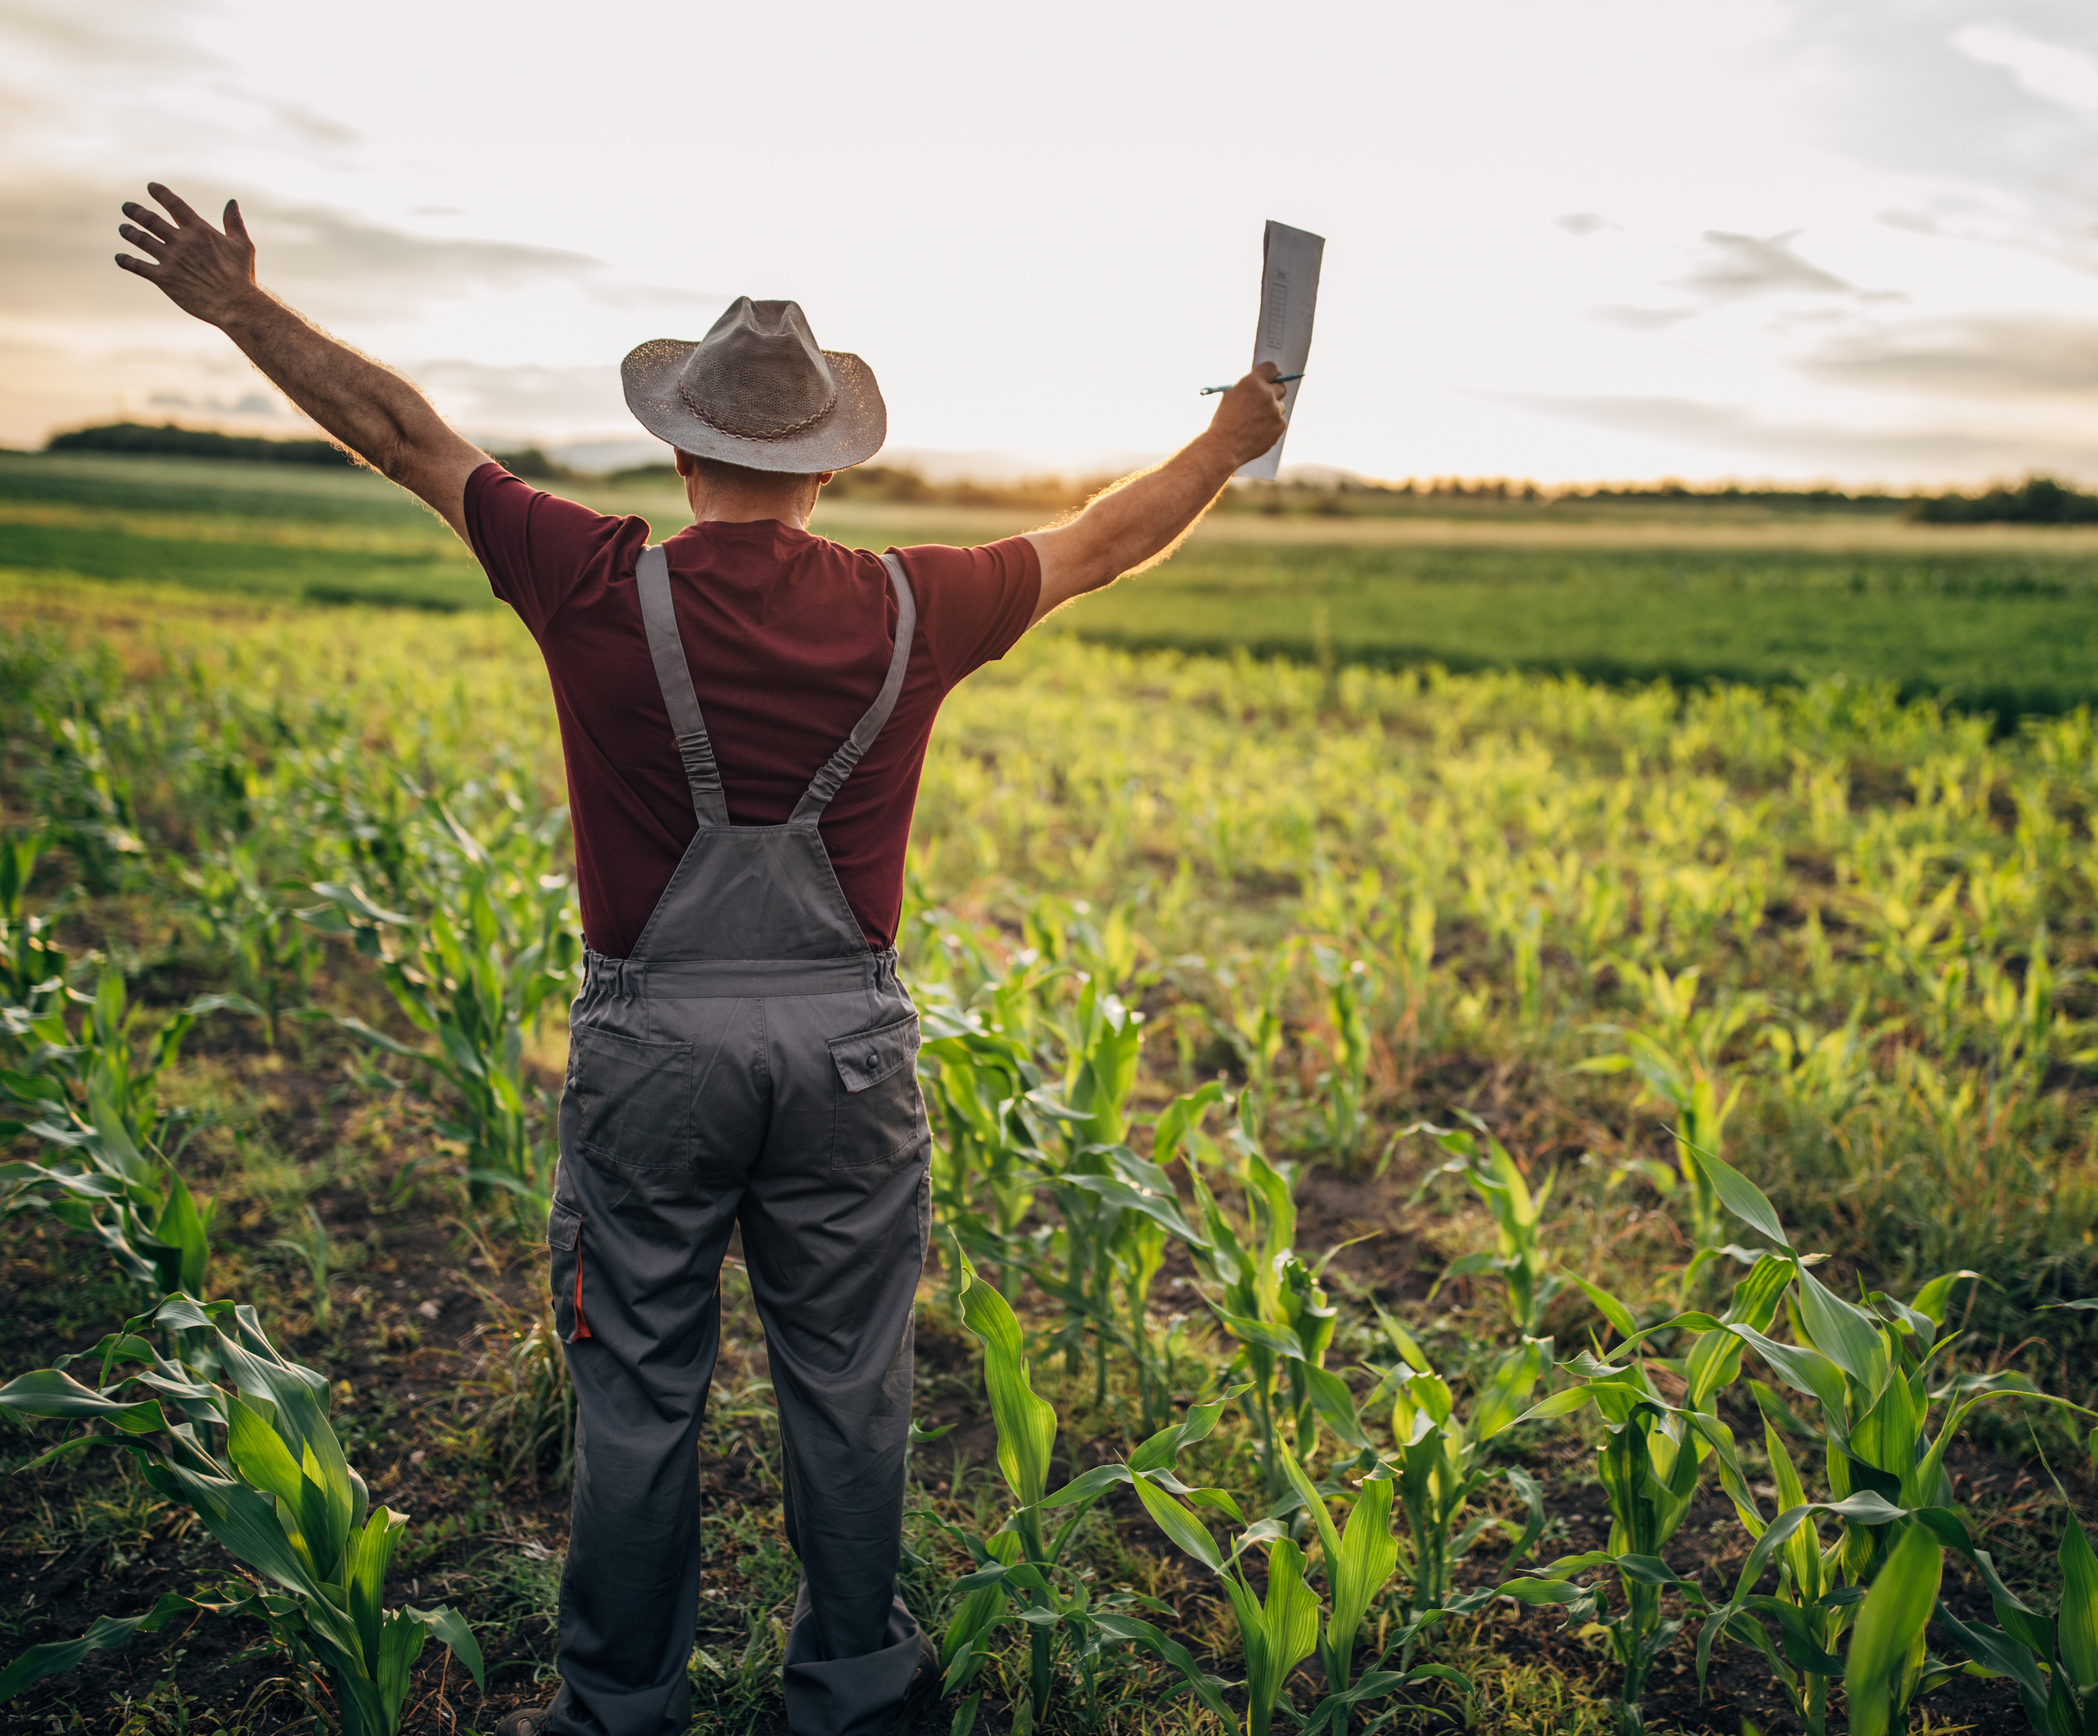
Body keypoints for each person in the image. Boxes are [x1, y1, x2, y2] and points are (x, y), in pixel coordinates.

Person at [110, 182, 1289, 1736]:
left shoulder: (595, 578)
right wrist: (1228, 439)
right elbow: (1097, 543)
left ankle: (618, 1711)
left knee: (638, 1397)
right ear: (825, 466)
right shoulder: (909, 606)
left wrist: (244, 309)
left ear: (681, 450)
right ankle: (854, 1694)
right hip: (847, 1057)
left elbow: (402, 435)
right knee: (853, 1390)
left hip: (653, 1056)